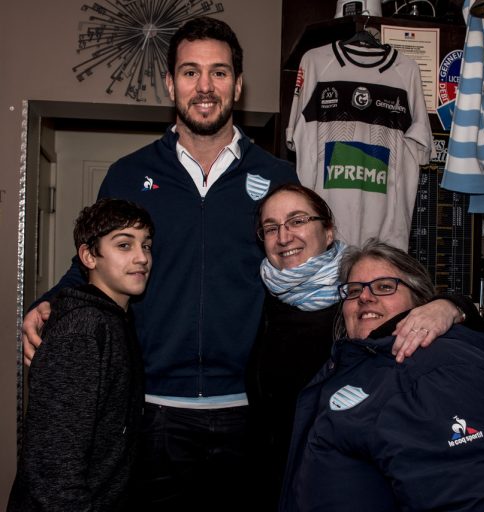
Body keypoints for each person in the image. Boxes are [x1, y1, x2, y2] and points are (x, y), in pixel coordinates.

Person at [21, 16, 298, 509]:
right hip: (151, 416)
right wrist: (49, 304)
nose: (205, 86)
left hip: (250, 416)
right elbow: (88, 267)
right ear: (171, 83)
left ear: (237, 83)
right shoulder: (128, 174)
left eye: (219, 72)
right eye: (191, 72)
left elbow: (318, 275)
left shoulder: (279, 178)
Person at [249, 183, 482, 509]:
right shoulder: (259, 297)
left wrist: (450, 306)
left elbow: (431, 327)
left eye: (297, 220)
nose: (284, 236)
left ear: (328, 231)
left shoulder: (361, 299)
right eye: (271, 227)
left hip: (355, 485)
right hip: (278, 482)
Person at [280, 239, 484, 512]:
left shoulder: (439, 370)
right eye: (354, 290)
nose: (365, 297)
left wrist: (452, 306)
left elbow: (477, 500)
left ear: (421, 302)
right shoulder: (367, 361)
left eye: (384, 287)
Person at [8, 198, 153, 511]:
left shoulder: (115, 319)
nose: (141, 257)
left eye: (146, 245)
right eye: (124, 245)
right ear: (89, 256)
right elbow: (54, 468)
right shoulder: (82, 330)